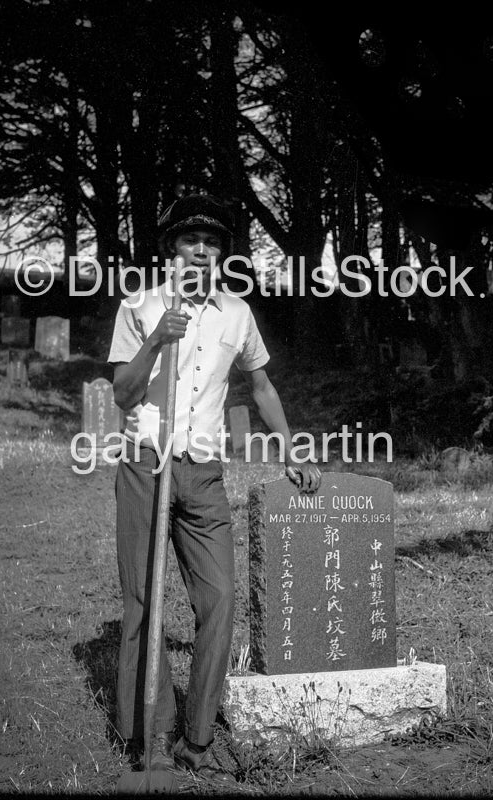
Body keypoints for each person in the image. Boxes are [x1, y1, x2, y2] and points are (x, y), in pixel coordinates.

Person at [107, 194, 321, 779]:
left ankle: (197, 738)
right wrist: (157, 339)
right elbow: (123, 394)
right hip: (145, 465)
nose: (202, 251)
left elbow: (262, 387)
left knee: (220, 599)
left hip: (203, 473)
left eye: (212, 243)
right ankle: (145, 734)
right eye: (189, 241)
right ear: (170, 249)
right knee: (143, 602)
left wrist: (290, 449)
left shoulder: (236, 312)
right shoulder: (141, 305)